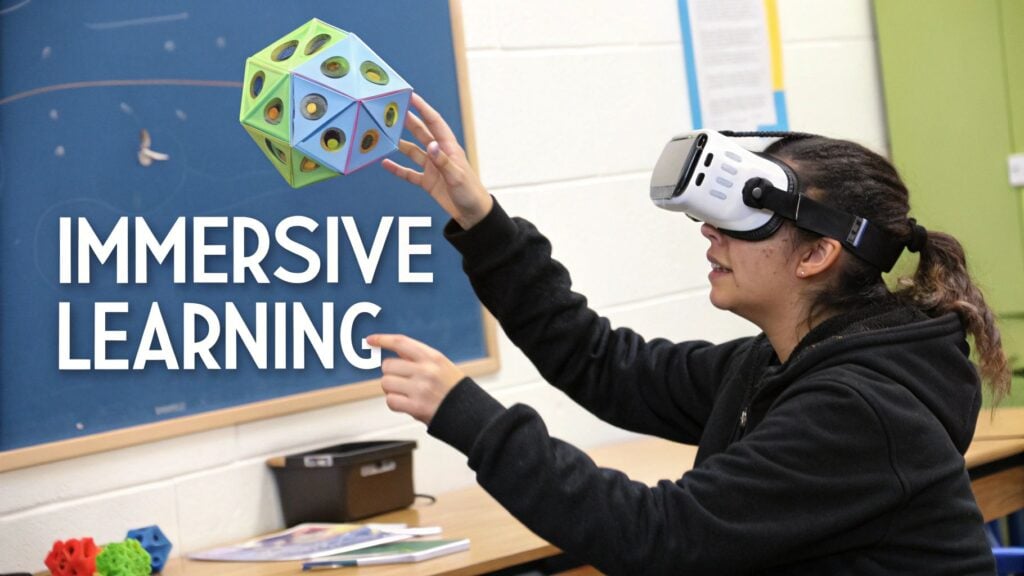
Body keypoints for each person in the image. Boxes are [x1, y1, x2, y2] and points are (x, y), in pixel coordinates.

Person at [367, 94, 1009, 575]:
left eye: (743, 220)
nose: (710, 233)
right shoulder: (779, 365)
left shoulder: (861, 410)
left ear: (816, 256)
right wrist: (481, 222)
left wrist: (470, 417)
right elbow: (603, 364)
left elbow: (659, 538)